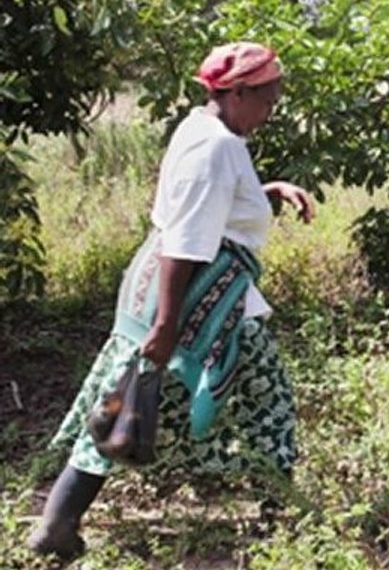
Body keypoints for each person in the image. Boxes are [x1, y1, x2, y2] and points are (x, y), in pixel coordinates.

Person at [28, 42, 315, 559]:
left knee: (121, 405)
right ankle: (283, 526)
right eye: (267, 100)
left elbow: (202, 201)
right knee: (267, 404)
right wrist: (167, 327)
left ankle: (58, 521)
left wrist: (263, 192)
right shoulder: (220, 148)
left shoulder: (201, 128)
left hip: (152, 295)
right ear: (238, 92)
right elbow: (186, 240)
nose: (271, 112)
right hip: (207, 306)